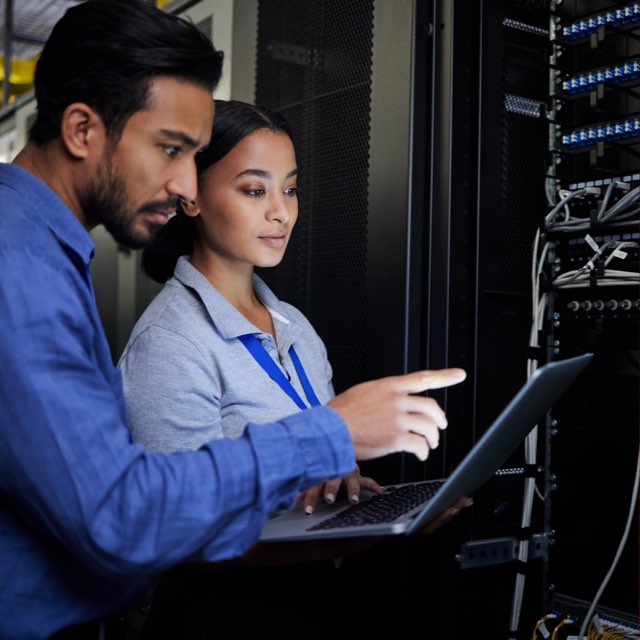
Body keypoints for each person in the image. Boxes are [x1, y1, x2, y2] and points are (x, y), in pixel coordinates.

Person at [0, 1, 466, 639]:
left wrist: (358, 503)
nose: (184, 183)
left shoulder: (45, 255)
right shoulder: (17, 264)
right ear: (82, 130)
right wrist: (327, 434)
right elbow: (124, 516)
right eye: (171, 149)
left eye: (193, 155)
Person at [117, 99, 387, 637]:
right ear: (191, 198)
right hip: (217, 617)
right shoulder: (169, 342)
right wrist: (363, 536)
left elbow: (319, 477)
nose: (281, 212)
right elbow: (181, 536)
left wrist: (355, 495)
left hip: (313, 604)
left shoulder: (296, 329)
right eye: (254, 189)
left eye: (289, 188)